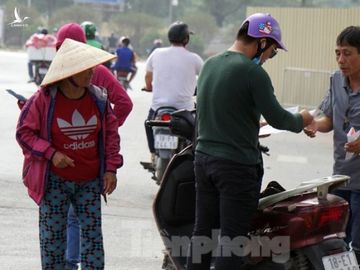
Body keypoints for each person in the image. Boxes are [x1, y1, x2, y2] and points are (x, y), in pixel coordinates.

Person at [186, 13, 313, 269]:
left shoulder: (210, 64)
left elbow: (211, 111)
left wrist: (248, 122)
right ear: (262, 42)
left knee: (203, 234)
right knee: (231, 241)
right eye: (272, 52)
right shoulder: (252, 73)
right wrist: (304, 118)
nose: (268, 58)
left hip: (203, 160)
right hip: (236, 166)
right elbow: (279, 119)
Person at [16, 38, 122, 269]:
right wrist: (52, 154)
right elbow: (24, 134)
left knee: (93, 239)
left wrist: (111, 169)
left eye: (92, 67)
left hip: (89, 181)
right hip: (54, 181)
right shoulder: (42, 100)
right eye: (86, 69)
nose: (92, 73)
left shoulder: (99, 99)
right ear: (69, 73)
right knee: (52, 240)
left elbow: (111, 136)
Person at [54, 22, 133, 270]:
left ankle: (71, 262)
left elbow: (124, 103)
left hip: (86, 157)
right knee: (65, 216)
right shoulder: (56, 72)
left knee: (75, 215)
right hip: (59, 159)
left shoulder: (95, 71)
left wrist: (102, 130)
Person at [304, 26, 360, 263]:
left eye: (347, 53)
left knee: (357, 245)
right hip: (341, 177)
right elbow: (329, 117)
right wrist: (316, 125)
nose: (340, 60)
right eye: (337, 53)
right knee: (336, 243)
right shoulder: (336, 80)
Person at [142, 21, 203, 164]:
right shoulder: (194, 58)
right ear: (186, 39)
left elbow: (147, 76)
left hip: (159, 108)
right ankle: (191, 156)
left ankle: (152, 153)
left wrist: (148, 86)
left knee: (148, 123)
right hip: (184, 110)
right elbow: (206, 76)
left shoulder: (156, 53)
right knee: (196, 131)